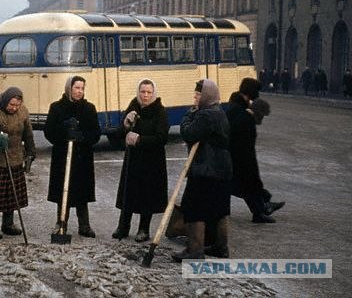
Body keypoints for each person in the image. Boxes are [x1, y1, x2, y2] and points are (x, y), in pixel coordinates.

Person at [173, 79, 232, 261]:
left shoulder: (205, 115)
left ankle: (195, 249)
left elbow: (188, 133)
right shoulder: (219, 112)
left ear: (206, 96)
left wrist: (188, 115)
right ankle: (220, 247)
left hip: (205, 170)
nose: (195, 97)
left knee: (194, 208)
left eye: (198, 95)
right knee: (219, 209)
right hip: (222, 170)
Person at [112, 78, 169, 242]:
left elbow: (161, 138)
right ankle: (123, 227)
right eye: (142, 92)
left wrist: (139, 139)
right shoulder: (133, 107)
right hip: (133, 160)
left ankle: (143, 229)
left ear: (154, 93)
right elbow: (119, 134)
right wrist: (126, 123)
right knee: (128, 193)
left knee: (147, 195)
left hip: (152, 160)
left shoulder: (160, 111)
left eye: (149, 92)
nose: (145, 95)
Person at [44, 76, 101, 238]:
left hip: (82, 158)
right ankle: (61, 223)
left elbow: (96, 133)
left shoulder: (89, 108)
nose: (80, 91)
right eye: (77, 88)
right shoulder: (57, 108)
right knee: (64, 191)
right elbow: (49, 132)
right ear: (69, 88)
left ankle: (84, 225)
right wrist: (63, 130)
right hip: (63, 158)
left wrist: (81, 136)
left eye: (82, 88)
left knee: (81, 192)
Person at [0, 87, 36, 239]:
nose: (14, 108)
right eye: (11, 104)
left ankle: (8, 223)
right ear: (5, 100)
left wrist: (31, 151)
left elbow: (28, 132)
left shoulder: (22, 111)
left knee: (12, 195)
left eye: (17, 105)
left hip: (16, 158)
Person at [226, 78, 283, 225]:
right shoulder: (243, 115)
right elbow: (245, 144)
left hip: (233, 155)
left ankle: (263, 206)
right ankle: (261, 210)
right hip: (240, 157)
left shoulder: (234, 107)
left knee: (244, 186)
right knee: (247, 185)